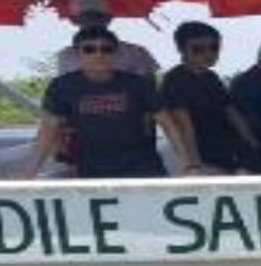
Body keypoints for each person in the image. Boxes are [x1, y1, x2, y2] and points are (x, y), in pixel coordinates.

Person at [27, 27, 178, 179]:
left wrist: (189, 164)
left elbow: (168, 123)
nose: (98, 54)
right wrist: (30, 171)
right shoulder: (62, 86)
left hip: (143, 168)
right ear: (77, 53)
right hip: (91, 171)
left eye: (106, 49)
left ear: (116, 53)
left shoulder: (139, 84)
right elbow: (49, 128)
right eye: (89, 49)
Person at [160, 21, 258, 175]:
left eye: (214, 47)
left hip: (226, 149)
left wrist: (253, 144)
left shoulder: (211, 77)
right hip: (202, 155)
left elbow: (231, 113)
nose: (208, 53)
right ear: (181, 49)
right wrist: (194, 165)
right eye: (198, 49)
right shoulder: (175, 79)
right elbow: (184, 125)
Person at [52, 0, 159, 78]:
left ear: (109, 19)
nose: (91, 21)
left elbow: (148, 89)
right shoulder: (66, 55)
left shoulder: (137, 52)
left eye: (97, 16)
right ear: (73, 20)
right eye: (85, 17)